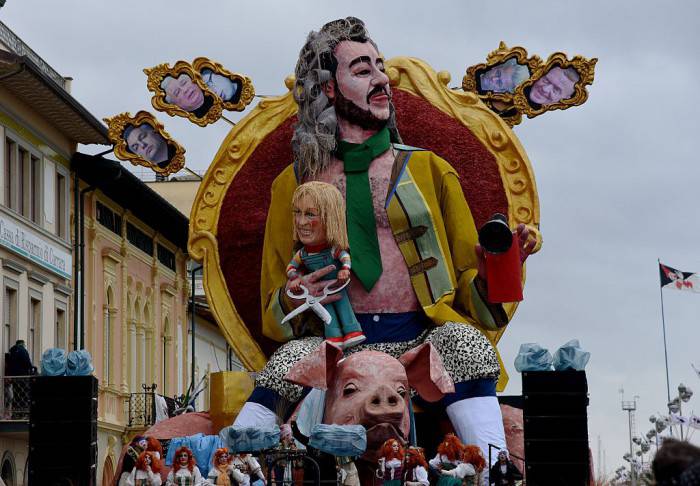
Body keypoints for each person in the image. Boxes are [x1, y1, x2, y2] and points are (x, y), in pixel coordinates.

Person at [233, 16, 535, 466]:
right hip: (336, 345)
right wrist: (299, 294)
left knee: (465, 345)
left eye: (379, 65)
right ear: (329, 89)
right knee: (287, 362)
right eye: (361, 69)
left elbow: (475, 293)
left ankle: (493, 468)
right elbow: (273, 307)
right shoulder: (292, 184)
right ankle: (234, 464)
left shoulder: (431, 170)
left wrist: (501, 266)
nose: (381, 79)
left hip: (420, 338)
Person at [286, 181, 365, 348]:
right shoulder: (303, 253)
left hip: (338, 285)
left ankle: (352, 331)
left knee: (343, 305)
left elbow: (344, 257)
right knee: (325, 310)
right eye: (297, 213)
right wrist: (295, 279)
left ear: (331, 218)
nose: (301, 222)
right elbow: (291, 267)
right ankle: (333, 336)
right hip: (318, 294)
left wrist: (345, 269)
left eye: (310, 214)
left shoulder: (332, 250)